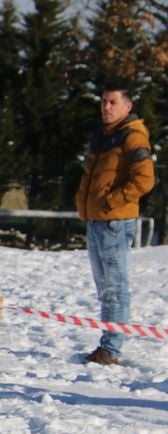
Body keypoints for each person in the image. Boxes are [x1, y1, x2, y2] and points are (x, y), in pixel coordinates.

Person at [75, 81, 154, 366]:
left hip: (115, 223)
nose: (106, 107)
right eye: (104, 102)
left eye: (113, 103)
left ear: (127, 106)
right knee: (104, 288)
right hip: (96, 221)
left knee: (115, 288)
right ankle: (108, 344)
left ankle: (111, 348)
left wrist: (112, 201)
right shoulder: (104, 135)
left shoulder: (132, 136)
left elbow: (145, 179)